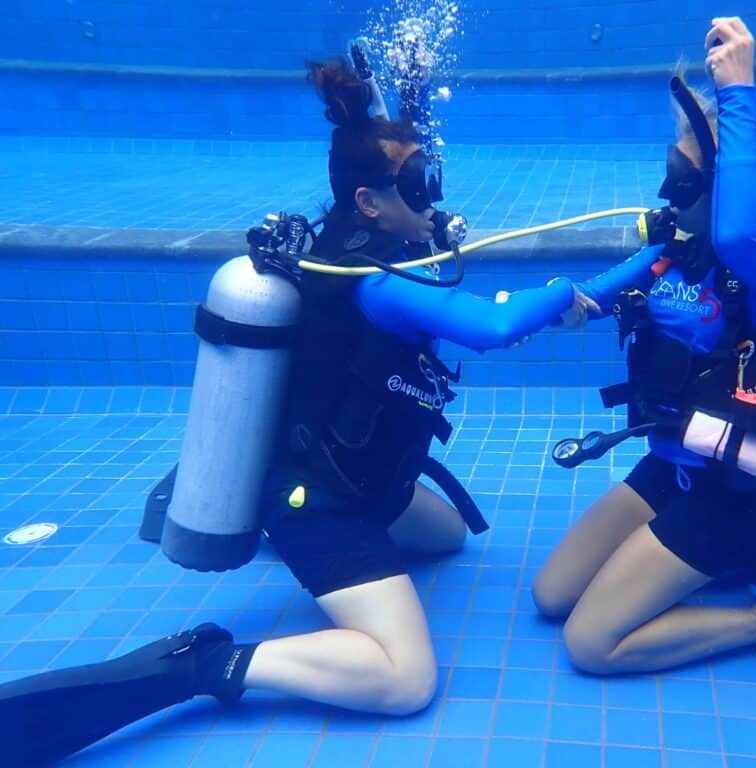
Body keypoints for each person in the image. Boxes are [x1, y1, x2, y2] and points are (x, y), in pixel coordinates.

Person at [0, 56, 596, 766]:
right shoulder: (372, 279)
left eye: (429, 177)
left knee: (447, 539)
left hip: (363, 480)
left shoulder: (382, 246)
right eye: (416, 183)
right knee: (406, 678)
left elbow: (438, 310)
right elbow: (491, 328)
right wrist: (563, 292)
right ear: (370, 203)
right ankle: (206, 664)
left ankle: (271, 515)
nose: (431, 194)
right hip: (324, 500)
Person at [531, 16, 756, 673]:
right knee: (550, 595)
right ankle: (669, 561)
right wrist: (545, 307)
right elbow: (589, 298)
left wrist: (738, 87)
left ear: (729, 189)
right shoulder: (675, 253)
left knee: (590, 644)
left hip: (730, 493)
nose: (669, 188)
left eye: (686, 174)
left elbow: (739, 240)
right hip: (673, 465)